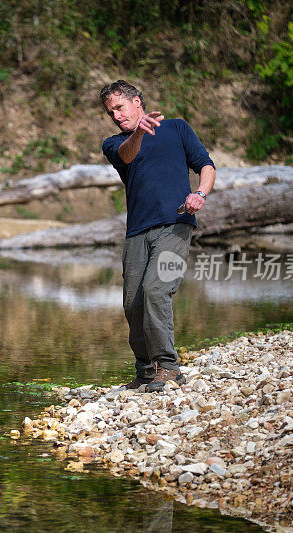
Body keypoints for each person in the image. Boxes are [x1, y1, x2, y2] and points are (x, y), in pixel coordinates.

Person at [100, 80, 215, 392]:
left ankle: (168, 366)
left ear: (137, 101)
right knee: (131, 303)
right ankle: (146, 370)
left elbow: (206, 165)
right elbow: (127, 155)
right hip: (137, 231)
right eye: (111, 112)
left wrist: (200, 194)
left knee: (156, 290)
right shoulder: (114, 143)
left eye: (120, 107)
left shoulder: (177, 128)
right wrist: (138, 131)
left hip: (177, 225)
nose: (116, 116)